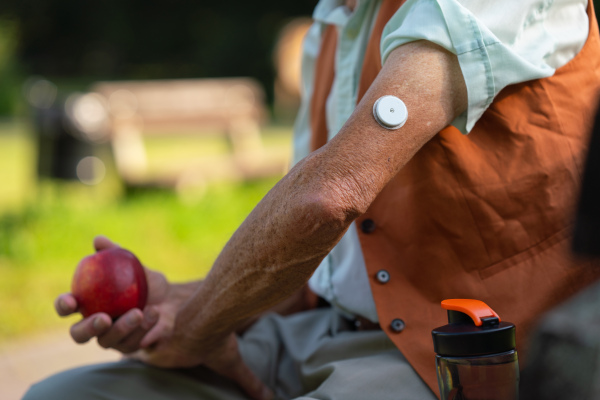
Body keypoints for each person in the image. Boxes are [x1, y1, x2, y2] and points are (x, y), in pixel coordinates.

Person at [24, 0, 600, 399]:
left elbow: (329, 195)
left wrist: (198, 326)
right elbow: (326, 257)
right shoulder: (334, 21)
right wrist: (180, 306)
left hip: (452, 357)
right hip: (315, 330)